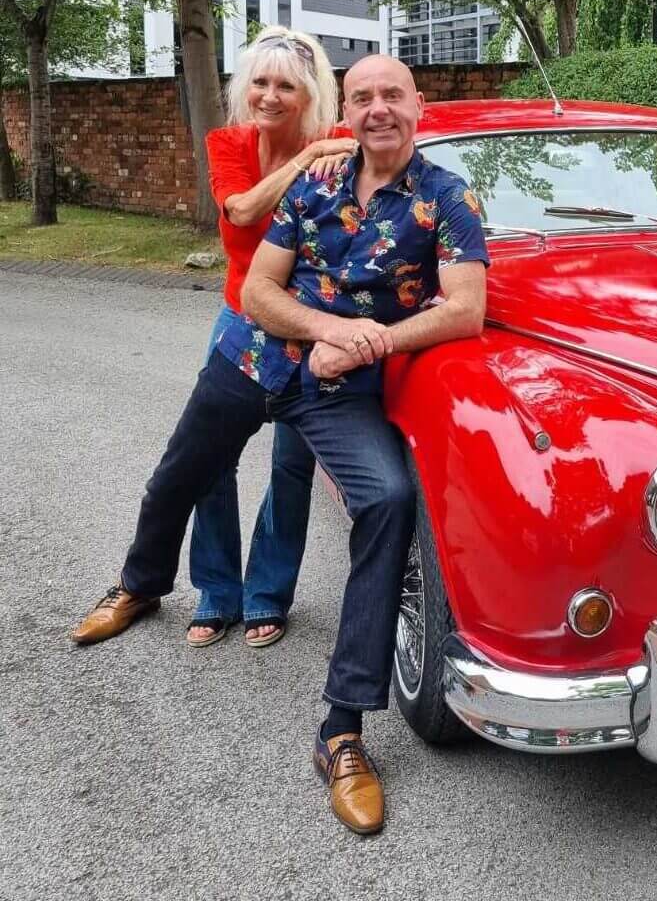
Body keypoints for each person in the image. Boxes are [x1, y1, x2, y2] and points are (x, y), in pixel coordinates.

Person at [71, 55, 489, 835]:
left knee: (389, 499)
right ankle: (139, 584)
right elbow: (260, 288)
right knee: (180, 472)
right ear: (349, 109)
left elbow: (464, 310)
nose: (377, 110)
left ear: (417, 106)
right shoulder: (317, 180)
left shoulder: (449, 200)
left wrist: (365, 347)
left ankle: (341, 732)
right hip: (254, 358)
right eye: (362, 97)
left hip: (337, 389)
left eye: (391, 96)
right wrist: (335, 329)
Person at [191, 25, 358, 649]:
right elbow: (239, 211)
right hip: (240, 312)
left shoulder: (337, 141)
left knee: (293, 463)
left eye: (285, 84)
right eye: (259, 82)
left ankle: (266, 593)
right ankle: (215, 591)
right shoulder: (229, 143)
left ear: (308, 91)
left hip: (307, 321)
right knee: (210, 455)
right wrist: (306, 163)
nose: (269, 95)